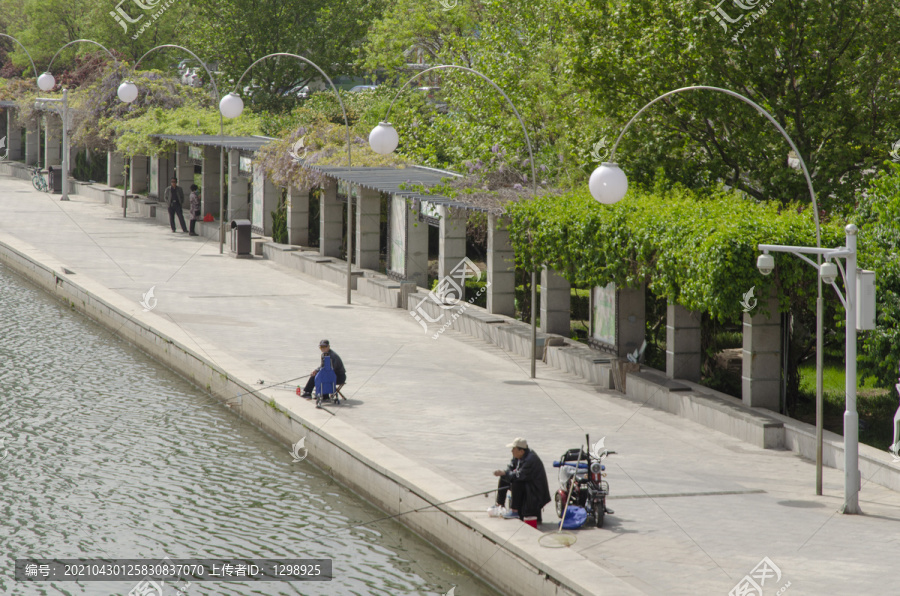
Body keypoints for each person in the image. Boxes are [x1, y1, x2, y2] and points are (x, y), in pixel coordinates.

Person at [492, 438, 551, 523]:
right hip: (527, 485)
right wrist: (504, 472)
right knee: (504, 477)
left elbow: (519, 476)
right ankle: (500, 505)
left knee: (516, 482)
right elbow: (510, 467)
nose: (511, 451)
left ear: (521, 451)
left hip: (535, 491)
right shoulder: (517, 456)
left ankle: (514, 511)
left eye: (513, 449)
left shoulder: (531, 459)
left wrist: (506, 473)